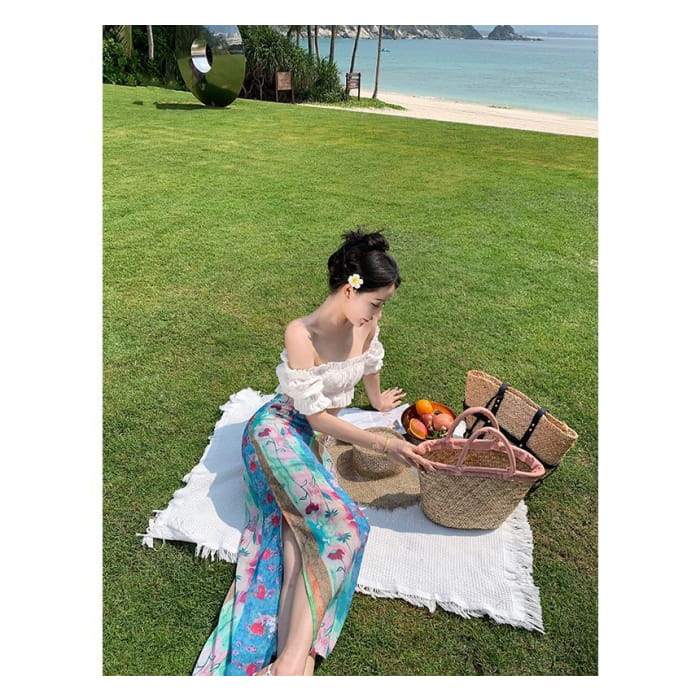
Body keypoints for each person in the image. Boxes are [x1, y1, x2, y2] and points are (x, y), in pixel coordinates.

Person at [192, 228, 434, 676]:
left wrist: (377, 401)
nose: (378, 313)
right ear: (350, 289)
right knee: (347, 527)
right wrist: (385, 443)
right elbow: (318, 417)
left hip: (309, 442)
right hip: (276, 433)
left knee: (305, 536)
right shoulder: (301, 333)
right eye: (376, 303)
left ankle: (288, 667)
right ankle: (291, 666)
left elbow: (369, 365)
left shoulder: (366, 325)